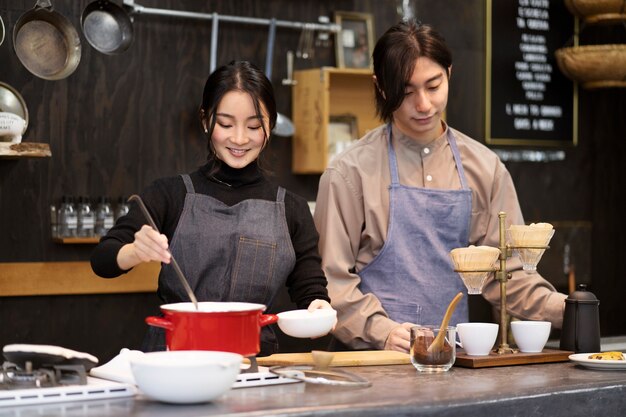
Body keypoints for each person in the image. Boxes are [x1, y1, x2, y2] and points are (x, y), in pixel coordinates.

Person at [313, 20, 566, 353]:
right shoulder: (349, 172)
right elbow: (331, 280)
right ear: (381, 87)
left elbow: (508, 275)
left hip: (453, 359)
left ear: (449, 72)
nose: (423, 104)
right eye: (405, 92)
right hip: (372, 362)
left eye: (433, 86)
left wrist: (566, 308)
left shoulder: (485, 168)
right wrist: (381, 331)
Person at [91, 60, 332, 355]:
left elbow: (309, 286)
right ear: (206, 121)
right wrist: (134, 252)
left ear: (270, 124)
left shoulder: (291, 209)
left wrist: (319, 305)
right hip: (175, 356)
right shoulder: (169, 194)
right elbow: (102, 260)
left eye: (254, 125)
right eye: (226, 124)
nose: (240, 138)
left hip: (252, 360)